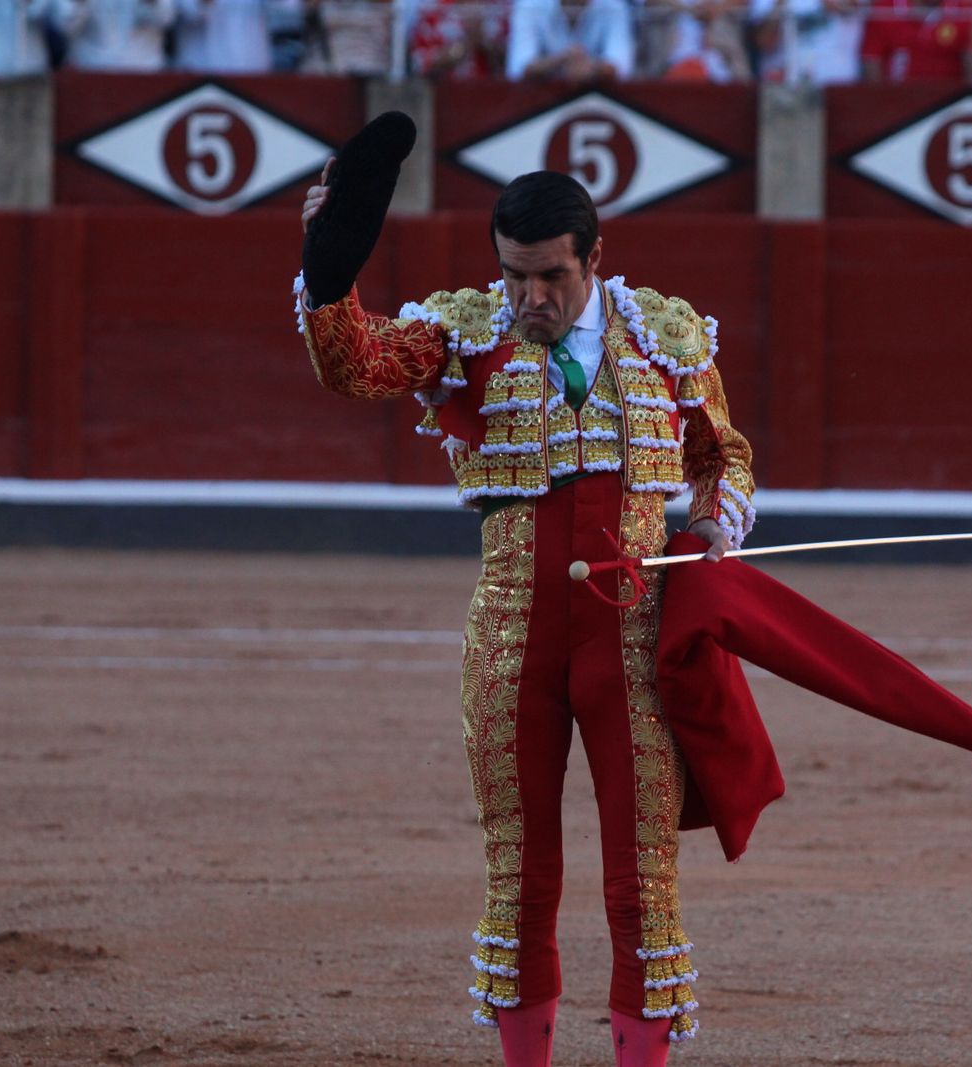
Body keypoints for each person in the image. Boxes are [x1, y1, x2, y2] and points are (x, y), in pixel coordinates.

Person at [295, 155, 751, 1064]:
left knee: (642, 886)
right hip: (512, 637)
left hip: (629, 638)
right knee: (519, 878)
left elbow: (721, 455)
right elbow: (356, 363)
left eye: (550, 274)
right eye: (514, 273)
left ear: (593, 259)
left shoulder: (665, 338)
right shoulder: (463, 334)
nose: (529, 294)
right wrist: (328, 260)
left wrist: (710, 529)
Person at [504, 0, 635, 80]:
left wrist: (592, 68)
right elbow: (518, 68)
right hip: (537, 103)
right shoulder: (530, 4)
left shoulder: (613, 5)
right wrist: (561, 60)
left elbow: (622, 68)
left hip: (599, 102)